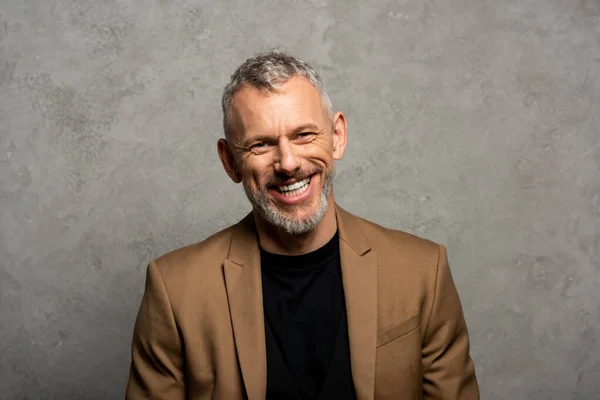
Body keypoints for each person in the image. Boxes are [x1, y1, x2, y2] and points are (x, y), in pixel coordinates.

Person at [126, 50, 479, 400]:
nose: (288, 162)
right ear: (230, 162)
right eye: (260, 144)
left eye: (304, 135)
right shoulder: (175, 291)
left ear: (337, 136)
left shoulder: (422, 272)